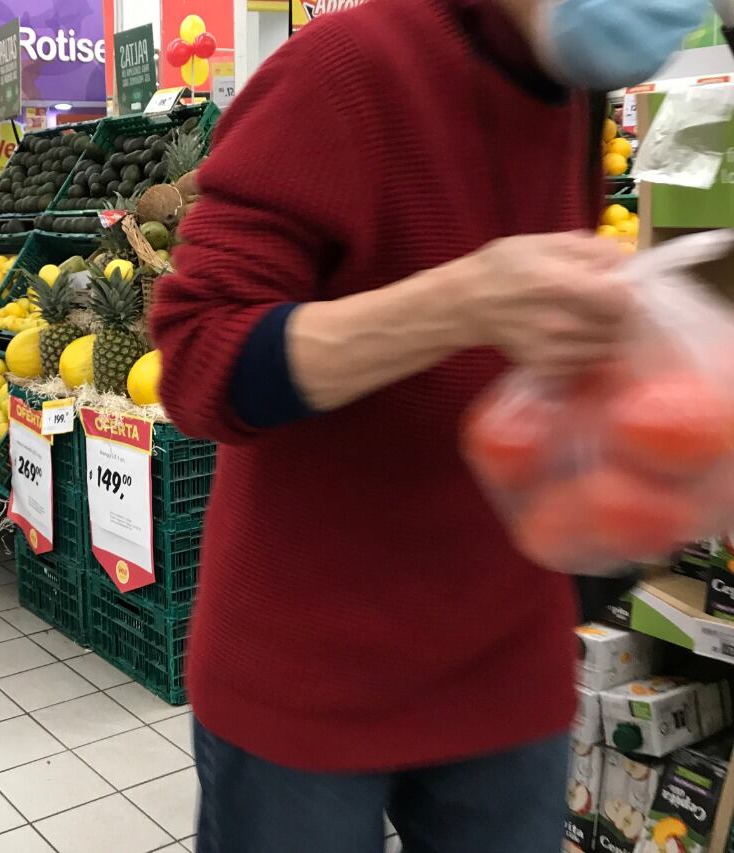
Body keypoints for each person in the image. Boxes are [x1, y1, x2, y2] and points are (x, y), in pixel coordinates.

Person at [150, 0, 709, 850]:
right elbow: (199, 360)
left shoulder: (571, 94)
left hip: (506, 663)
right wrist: (462, 300)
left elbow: (508, 368)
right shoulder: (344, 67)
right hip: (308, 670)